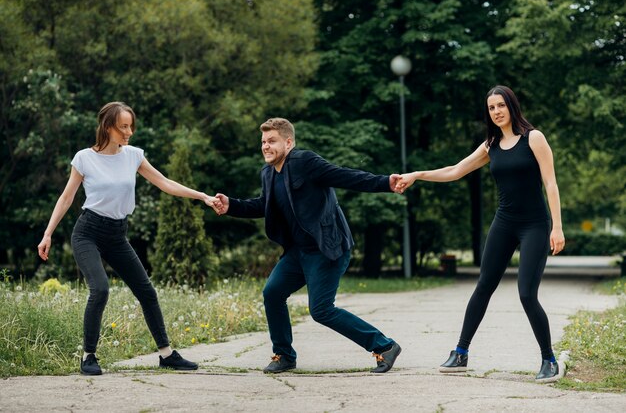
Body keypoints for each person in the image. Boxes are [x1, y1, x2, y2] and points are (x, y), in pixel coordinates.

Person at [396, 85, 566, 383]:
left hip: (535, 225)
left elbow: (550, 184)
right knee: (484, 285)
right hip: (504, 222)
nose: (497, 111)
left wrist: (557, 226)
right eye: (491, 108)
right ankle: (460, 352)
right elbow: (455, 171)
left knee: (526, 293)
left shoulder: (534, 138)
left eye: (501, 105)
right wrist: (417, 175)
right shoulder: (491, 144)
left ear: (512, 106)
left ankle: (549, 360)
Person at [212, 118, 402, 373]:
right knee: (273, 293)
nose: (266, 147)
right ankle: (284, 355)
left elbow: (344, 176)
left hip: (326, 248)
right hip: (297, 252)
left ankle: (384, 346)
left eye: (272, 141)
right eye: (263, 142)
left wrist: (385, 183)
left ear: (288, 142)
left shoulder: (304, 162)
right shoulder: (267, 173)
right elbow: (263, 205)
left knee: (321, 309)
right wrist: (231, 205)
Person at [37, 102, 213, 375]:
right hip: (88, 233)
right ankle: (88, 356)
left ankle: (166, 354)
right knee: (101, 289)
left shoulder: (133, 156)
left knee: (147, 292)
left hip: (118, 235)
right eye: (123, 127)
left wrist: (202, 196)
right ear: (107, 127)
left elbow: (165, 183)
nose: (129, 131)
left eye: (131, 125)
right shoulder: (84, 158)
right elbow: (67, 197)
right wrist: (47, 234)